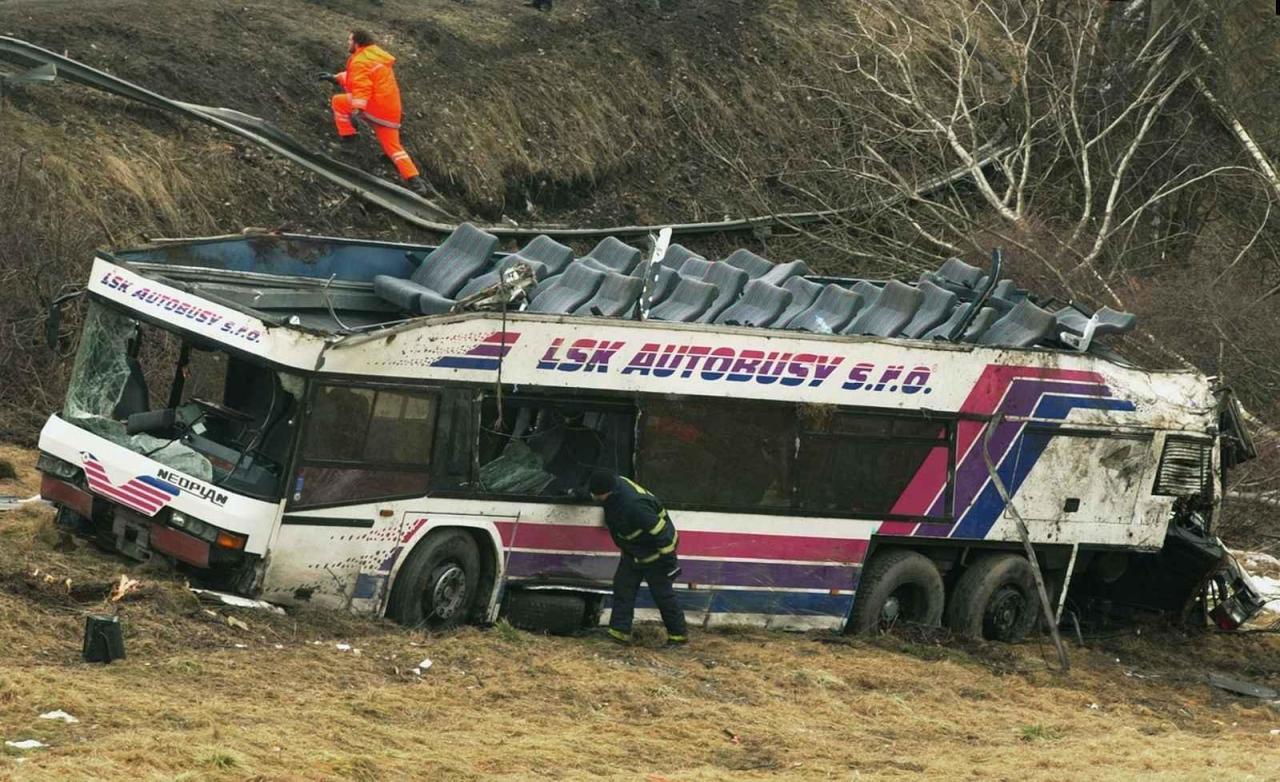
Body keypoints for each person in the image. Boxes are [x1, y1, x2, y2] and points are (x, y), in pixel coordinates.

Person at [318, 30, 432, 197]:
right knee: (393, 147)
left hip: (374, 106)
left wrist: (358, 108)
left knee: (338, 101)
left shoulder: (360, 60)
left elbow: (362, 86)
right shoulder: (374, 55)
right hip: (390, 109)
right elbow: (358, 77)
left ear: (357, 42)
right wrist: (336, 78)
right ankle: (416, 182)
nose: (347, 43)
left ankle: (349, 141)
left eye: (349, 40)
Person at [588, 469, 688, 646]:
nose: (595, 498)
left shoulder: (635, 506)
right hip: (633, 552)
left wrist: (669, 563)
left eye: (597, 496)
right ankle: (619, 634)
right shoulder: (613, 485)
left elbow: (662, 534)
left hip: (656, 554)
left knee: (663, 596)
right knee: (623, 589)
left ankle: (678, 637)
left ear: (607, 492)